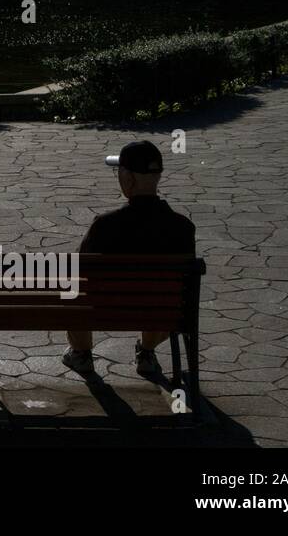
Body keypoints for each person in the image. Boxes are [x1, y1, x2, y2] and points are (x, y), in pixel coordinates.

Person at [61, 140, 196, 378]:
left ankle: (81, 354)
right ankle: (146, 352)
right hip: (161, 312)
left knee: (70, 285)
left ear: (128, 178)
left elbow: (78, 271)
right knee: (166, 299)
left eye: (118, 171)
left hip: (105, 309)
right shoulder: (183, 228)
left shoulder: (105, 226)